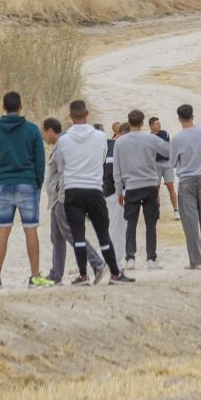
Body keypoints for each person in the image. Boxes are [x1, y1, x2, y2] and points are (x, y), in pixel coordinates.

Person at [54, 100, 133, 285]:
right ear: (87, 113)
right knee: (103, 233)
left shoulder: (63, 140)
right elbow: (102, 159)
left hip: (73, 189)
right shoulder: (99, 137)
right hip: (94, 188)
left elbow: (60, 166)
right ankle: (115, 273)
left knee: (78, 235)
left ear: (70, 116)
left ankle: (83, 275)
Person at [0, 90, 48, 289]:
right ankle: (35, 276)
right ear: (20, 107)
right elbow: (40, 160)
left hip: (4, 184)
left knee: (2, 230)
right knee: (31, 230)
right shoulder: (32, 130)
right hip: (27, 183)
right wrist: (37, 183)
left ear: (3, 107)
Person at [41, 118, 106, 285]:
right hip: (57, 198)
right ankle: (56, 274)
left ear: (49, 131)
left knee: (71, 233)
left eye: (43, 132)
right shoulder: (61, 144)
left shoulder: (64, 144)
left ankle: (97, 262)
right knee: (57, 237)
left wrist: (63, 196)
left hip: (63, 197)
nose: (43, 136)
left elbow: (65, 172)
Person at [114, 108, 176, 271]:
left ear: (129, 122)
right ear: (142, 123)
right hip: (149, 184)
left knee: (131, 223)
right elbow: (168, 150)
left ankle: (130, 258)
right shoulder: (151, 139)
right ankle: (151, 258)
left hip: (131, 186)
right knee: (151, 223)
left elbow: (117, 169)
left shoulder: (120, 142)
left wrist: (119, 190)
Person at [171, 104, 201, 269]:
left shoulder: (177, 138)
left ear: (179, 118)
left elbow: (172, 162)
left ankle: (197, 261)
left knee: (190, 223)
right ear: (193, 115)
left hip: (187, 181)